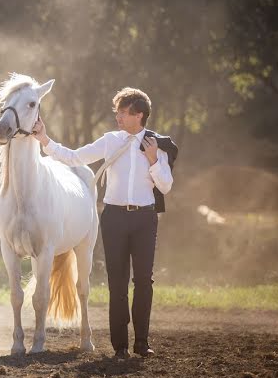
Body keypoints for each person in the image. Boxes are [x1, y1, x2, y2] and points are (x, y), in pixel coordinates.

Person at [32, 87, 173, 359]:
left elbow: (165, 186)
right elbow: (74, 157)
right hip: (114, 218)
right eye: (117, 112)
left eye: (123, 112)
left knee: (144, 281)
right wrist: (45, 140)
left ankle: (141, 343)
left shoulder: (157, 145)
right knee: (117, 282)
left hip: (145, 218)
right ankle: (120, 346)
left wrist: (154, 159)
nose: (118, 117)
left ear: (139, 115)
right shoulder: (110, 141)